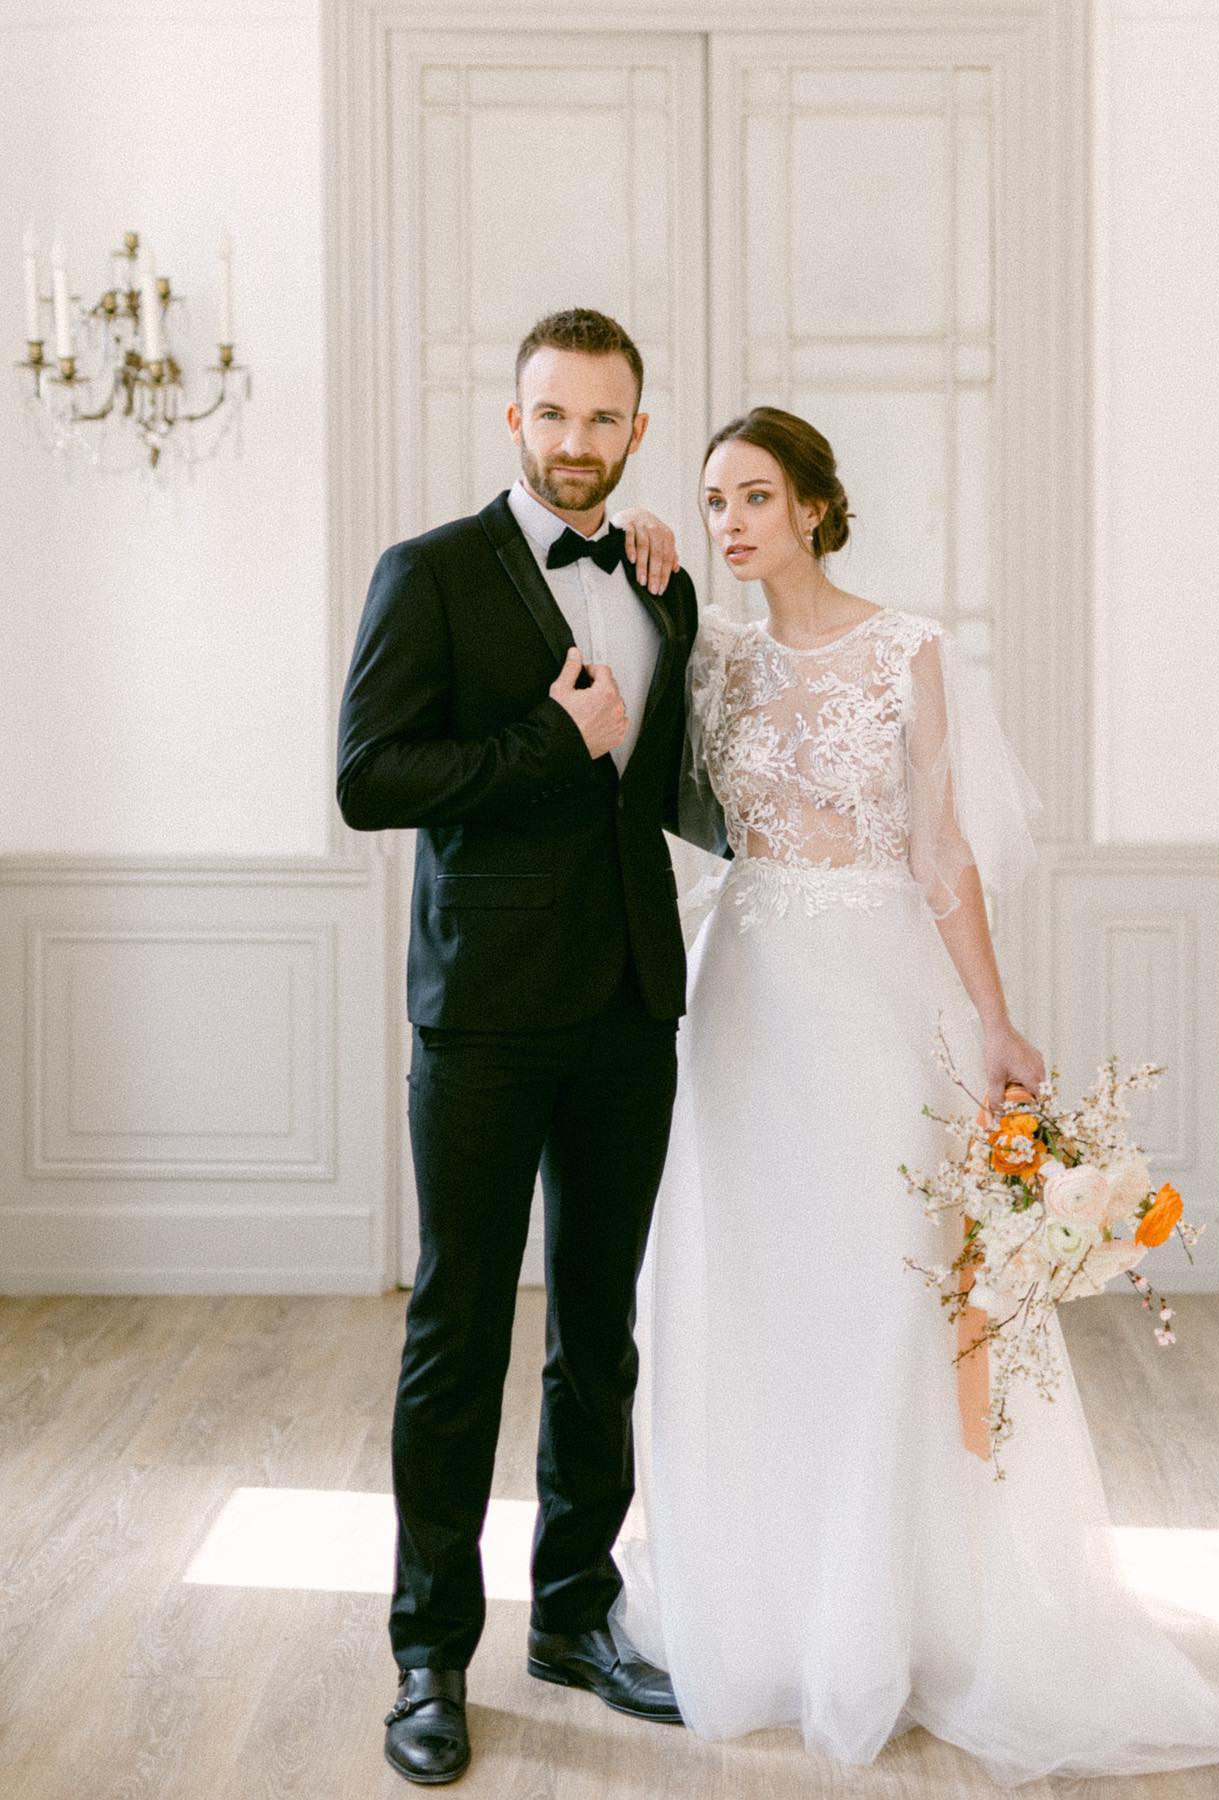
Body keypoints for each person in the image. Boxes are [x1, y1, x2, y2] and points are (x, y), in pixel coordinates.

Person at [610, 407, 1219, 1786]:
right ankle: (774, 1604)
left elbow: (940, 849)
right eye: (713, 500)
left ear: (815, 506)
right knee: (755, 1286)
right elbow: (663, 801)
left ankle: (913, 1611)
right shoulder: (716, 660)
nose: (734, 521)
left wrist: (994, 1019)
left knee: (896, 1293)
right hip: (745, 989)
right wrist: (652, 585)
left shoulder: (907, 649)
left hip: (879, 993)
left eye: (757, 496)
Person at [337, 308, 697, 1786]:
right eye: (553, 416)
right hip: (481, 1016)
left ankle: (573, 1613)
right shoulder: (427, 574)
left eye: (603, 421)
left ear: (635, 432)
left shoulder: (659, 586)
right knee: (459, 1334)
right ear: (513, 421)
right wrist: (545, 742)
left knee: (600, 1333)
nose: (575, 445)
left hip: (628, 1011)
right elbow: (367, 777)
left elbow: (668, 784)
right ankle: (430, 1655)